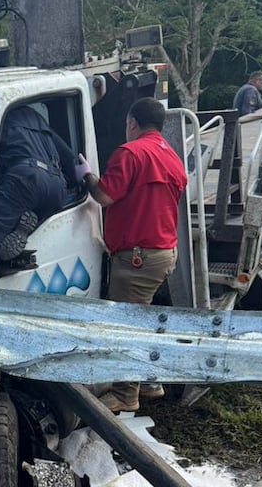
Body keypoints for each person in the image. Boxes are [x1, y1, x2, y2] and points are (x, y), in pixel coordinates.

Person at [74, 97, 187, 412]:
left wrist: (86, 175)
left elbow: (104, 195)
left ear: (132, 122)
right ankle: (150, 380)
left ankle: (126, 395)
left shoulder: (131, 153)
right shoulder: (171, 156)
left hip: (139, 258)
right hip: (164, 253)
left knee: (126, 325)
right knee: (144, 317)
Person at [0, 103, 76, 287]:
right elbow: (68, 157)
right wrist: (75, 182)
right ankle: (19, 227)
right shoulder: (35, 117)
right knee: (19, 210)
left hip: (25, 178)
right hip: (56, 184)